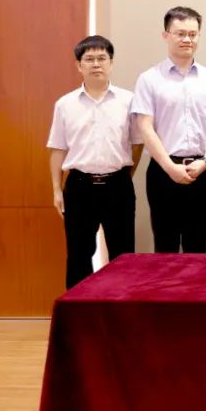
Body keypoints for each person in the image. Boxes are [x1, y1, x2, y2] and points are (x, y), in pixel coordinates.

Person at [132, 6, 206, 253]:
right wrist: (169, 167)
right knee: (165, 246)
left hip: (202, 171)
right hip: (163, 172)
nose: (187, 39)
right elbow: (145, 126)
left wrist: (205, 161)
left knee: (197, 245)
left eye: (193, 34)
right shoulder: (149, 79)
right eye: (180, 33)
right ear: (166, 35)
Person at [47, 35, 142, 288]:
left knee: (123, 255)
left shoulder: (129, 101)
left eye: (102, 58)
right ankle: (80, 309)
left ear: (111, 63)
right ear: (79, 65)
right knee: (78, 255)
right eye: (89, 59)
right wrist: (56, 189)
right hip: (79, 187)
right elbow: (57, 149)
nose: (96, 64)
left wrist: (125, 175)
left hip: (118, 185)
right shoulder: (65, 104)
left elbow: (137, 143)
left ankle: (121, 307)